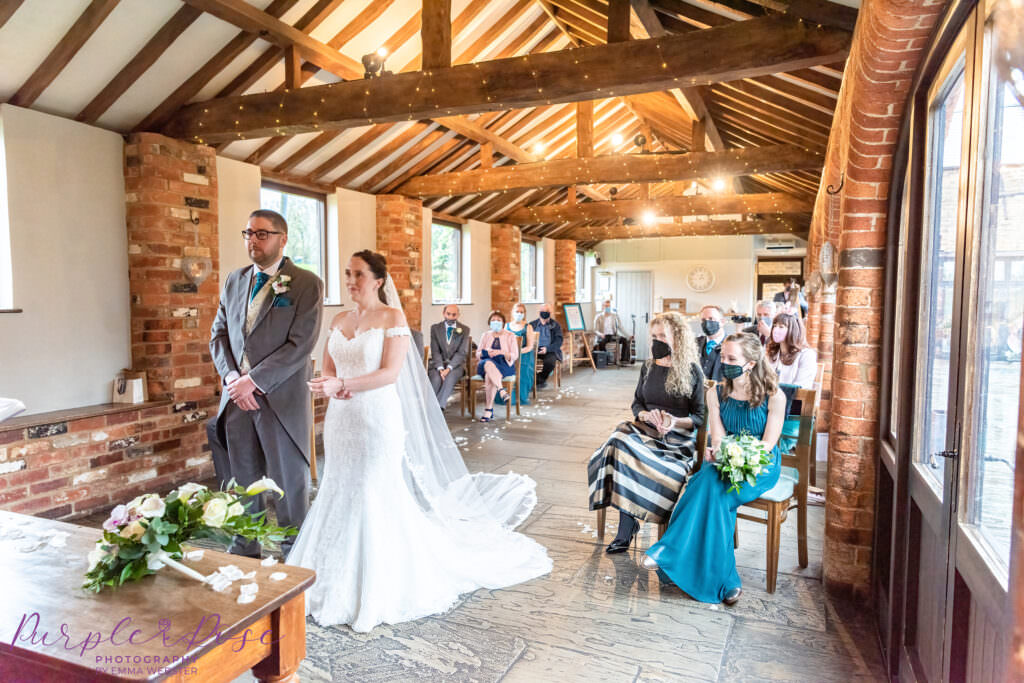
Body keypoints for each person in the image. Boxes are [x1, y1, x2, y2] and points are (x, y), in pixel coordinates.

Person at [291, 250, 551, 632]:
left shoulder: (392, 318)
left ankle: (375, 580)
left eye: (358, 274)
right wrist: (328, 386)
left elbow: (390, 373)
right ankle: (327, 574)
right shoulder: (339, 319)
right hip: (342, 419)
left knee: (370, 489)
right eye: (347, 274)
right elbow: (329, 368)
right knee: (338, 485)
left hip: (377, 417)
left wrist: (343, 384)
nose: (350, 281)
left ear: (378, 280)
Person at [207, 209, 324, 559]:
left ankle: (294, 552)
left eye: (262, 234)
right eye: (248, 233)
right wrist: (231, 378)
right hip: (236, 400)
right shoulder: (234, 279)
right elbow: (218, 335)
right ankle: (245, 545)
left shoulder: (305, 283)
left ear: (282, 238)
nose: (253, 240)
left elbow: (300, 344)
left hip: (279, 400)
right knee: (243, 479)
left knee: (288, 483)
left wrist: (254, 381)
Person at [644, 333, 786, 605]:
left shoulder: (773, 395)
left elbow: (768, 444)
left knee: (706, 485)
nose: (725, 362)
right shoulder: (716, 392)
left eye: (733, 359)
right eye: (723, 357)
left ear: (752, 363)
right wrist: (719, 452)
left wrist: (737, 457)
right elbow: (718, 437)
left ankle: (669, 552)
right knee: (710, 481)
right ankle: (724, 580)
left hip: (759, 465)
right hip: (725, 460)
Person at [587, 312, 705, 554]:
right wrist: (644, 415)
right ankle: (627, 525)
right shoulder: (649, 366)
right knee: (619, 439)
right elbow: (637, 404)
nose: (657, 340)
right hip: (646, 431)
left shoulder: (693, 370)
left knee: (623, 449)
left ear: (678, 338)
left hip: (676, 441)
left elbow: (700, 417)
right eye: (654, 336)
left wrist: (674, 421)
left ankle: (628, 526)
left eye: (663, 335)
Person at [476, 310, 520, 422]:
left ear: (503, 323)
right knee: (488, 363)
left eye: (498, 320)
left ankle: (488, 410)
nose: (496, 322)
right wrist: (487, 352)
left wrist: (501, 352)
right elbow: (478, 353)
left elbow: (515, 355)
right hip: (486, 362)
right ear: (489, 323)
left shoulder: (510, 336)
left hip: (503, 364)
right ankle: (501, 390)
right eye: (493, 320)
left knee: (488, 377)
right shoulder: (485, 335)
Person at [427, 304, 471, 411]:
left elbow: (462, 352)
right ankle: (430, 406)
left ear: (458, 315)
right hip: (438, 364)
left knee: (450, 378)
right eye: (448, 314)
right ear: (443, 314)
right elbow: (435, 351)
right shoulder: (435, 328)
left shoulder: (464, 329)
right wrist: (441, 368)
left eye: (454, 314)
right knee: (436, 378)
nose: (451, 317)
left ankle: (437, 408)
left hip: (456, 366)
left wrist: (449, 368)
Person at [765, 313, 818, 389]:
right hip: (770, 397)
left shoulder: (807, 355)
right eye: (775, 326)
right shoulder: (773, 352)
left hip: (794, 399)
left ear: (793, 331)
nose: (776, 330)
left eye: (781, 327)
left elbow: (801, 386)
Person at [503, 302, 536, 406]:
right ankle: (505, 394)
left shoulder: (528, 327)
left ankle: (519, 396)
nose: (519, 313)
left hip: (524, 355)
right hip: (509, 356)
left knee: (522, 370)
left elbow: (530, 346)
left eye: (521, 312)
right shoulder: (506, 326)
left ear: (524, 314)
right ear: (512, 312)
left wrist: (517, 352)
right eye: (517, 311)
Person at [531, 303, 564, 389]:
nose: (544, 313)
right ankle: (533, 381)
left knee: (550, 362)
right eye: (542, 311)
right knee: (526, 361)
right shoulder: (532, 325)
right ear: (539, 312)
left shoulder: (555, 325)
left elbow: (559, 341)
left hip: (549, 350)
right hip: (534, 350)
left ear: (551, 312)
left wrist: (547, 349)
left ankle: (538, 380)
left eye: (547, 311)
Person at [593, 299, 631, 364]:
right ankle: (606, 360)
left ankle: (624, 360)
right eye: (606, 306)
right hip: (604, 335)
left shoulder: (615, 316)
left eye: (609, 306)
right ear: (603, 307)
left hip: (613, 335)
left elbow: (620, 327)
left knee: (625, 340)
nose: (607, 307)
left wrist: (628, 335)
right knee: (601, 343)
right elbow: (595, 330)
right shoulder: (598, 317)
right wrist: (600, 334)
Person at [695, 305, 726, 382]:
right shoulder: (694, 343)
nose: (707, 323)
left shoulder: (732, 345)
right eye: (703, 320)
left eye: (711, 318)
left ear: (722, 322)